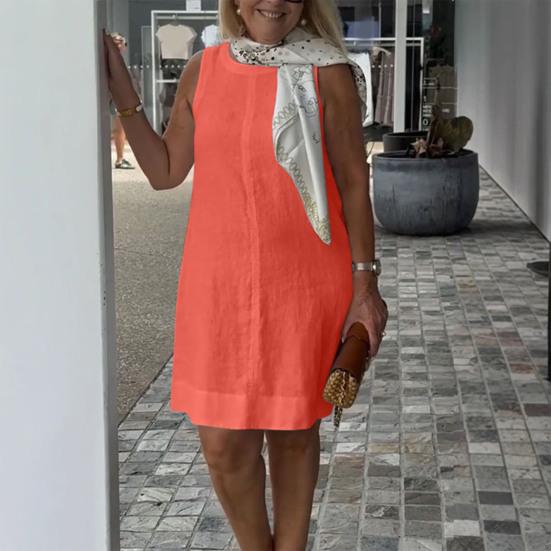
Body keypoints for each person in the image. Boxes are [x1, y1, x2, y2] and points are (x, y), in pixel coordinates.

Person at [103, 1, 388, 549]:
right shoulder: (203, 69)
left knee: (292, 433)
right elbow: (165, 171)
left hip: (305, 282)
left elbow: (355, 183)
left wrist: (365, 288)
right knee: (223, 444)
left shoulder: (328, 71)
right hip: (218, 286)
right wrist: (124, 96)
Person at [109, 33, 135, 169]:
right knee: (119, 128)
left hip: (119, 97)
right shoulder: (111, 60)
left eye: (121, 42)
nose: (118, 44)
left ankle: (120, 157)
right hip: (115, 97)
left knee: (121, 128)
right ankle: (119, 159)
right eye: (115, 41)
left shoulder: (118, 60)